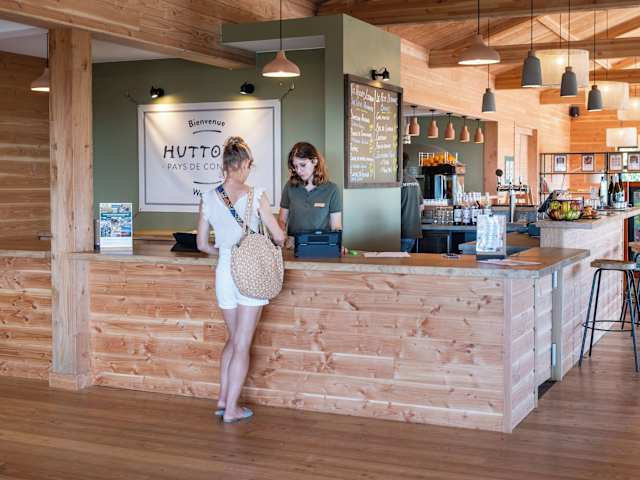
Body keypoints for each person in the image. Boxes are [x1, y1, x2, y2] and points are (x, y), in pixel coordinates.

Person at [196, 136, 286, 424]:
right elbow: (278, 236)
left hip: (224, 270)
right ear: (245, 163)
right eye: (249, 166)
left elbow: (201, 244)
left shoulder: (208, 197)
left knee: (234, 339)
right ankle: (232, 409)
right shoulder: (256, 195)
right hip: (250, 272)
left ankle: (223, 399)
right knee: (242, 344)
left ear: (224, 165)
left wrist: (226, 253)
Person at [278, 142, 342, 240]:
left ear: (314, 161)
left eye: (302, 165)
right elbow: (282, 220)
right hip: (294, 244)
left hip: (321, 244)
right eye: (296, 166)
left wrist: (336, 244)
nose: (299, 171)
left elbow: (336, 227)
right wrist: (282, 236)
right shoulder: (289, 186)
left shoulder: (332, 190)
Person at [400, 152, 424, 253]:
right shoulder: (415, 181)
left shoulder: (395, 181)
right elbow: (421, 207)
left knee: (395, 262)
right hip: (412, 232)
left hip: (398, 232)